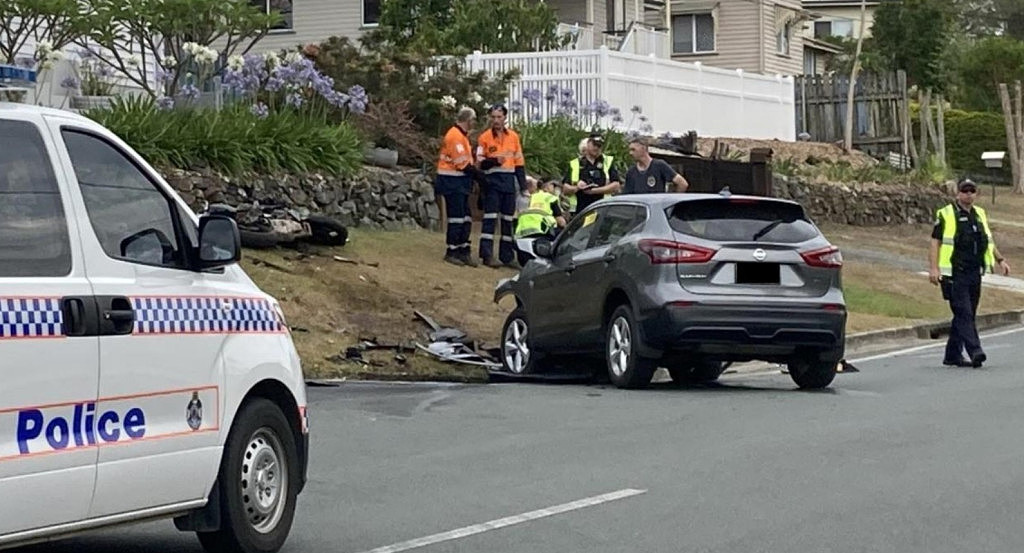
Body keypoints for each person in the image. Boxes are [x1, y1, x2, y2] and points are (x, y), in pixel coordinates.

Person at [928, 178, 1011, 368]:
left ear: (976, 193)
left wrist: (1000, 260)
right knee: (964, 312)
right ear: (957, 193)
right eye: (964, 191)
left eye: (971, 191)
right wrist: (934, 268)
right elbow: (935, 242)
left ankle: (952, 355)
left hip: (975, 272)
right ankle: (975, 351)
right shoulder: (947, 214)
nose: (968, 194)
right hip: (955, 274)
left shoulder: (979, 214)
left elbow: (988, 241)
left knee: (967, 314)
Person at [476, 104, 527, 268]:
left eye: (499, 117)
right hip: (492, 183)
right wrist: (493, 161)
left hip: (508, 183)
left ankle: (507, 256)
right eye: (493, 117)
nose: (496, 120)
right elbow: (480, 163)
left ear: (505, 118)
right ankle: (487, 255)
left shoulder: (513, 137)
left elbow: (519, 163)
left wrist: (523, 186)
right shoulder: (484, 138)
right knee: (490, 219)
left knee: (507, 220)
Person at [435, 106, 484, 267]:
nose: (474, 123)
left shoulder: (461, 136)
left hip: (460, 182)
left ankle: (463, 249)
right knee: (457, 217)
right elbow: (462, 164)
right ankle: (452, 251)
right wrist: (480, 176)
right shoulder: (455, 136)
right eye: (473, 120)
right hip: (452, 182)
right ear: (468, 120)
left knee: (465, 217)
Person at [562, 133, 621, 217]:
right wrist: (577, 187)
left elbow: (616, 186)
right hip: (580, 210)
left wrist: (594, 191)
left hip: (603, 208)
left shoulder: (607, 161)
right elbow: (565, 189)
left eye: (599, 146)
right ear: (588, 143)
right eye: (594, 144)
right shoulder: (575, 163)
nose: (596, 148)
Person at [514, 179, 566, 266]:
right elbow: (560, 221)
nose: (556, 189)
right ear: (548, 186)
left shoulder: (533, 196)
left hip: (523, 226)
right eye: (554, 186)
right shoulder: (551, 198)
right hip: (542, 228)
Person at [622, 137, 689, 194]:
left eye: (633, 150)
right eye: (630, 150)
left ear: (644, 148)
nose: (630, 153)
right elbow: (627, 195)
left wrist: (671, 202)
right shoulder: (631, 172)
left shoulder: (659, 165)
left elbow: (682, 183)